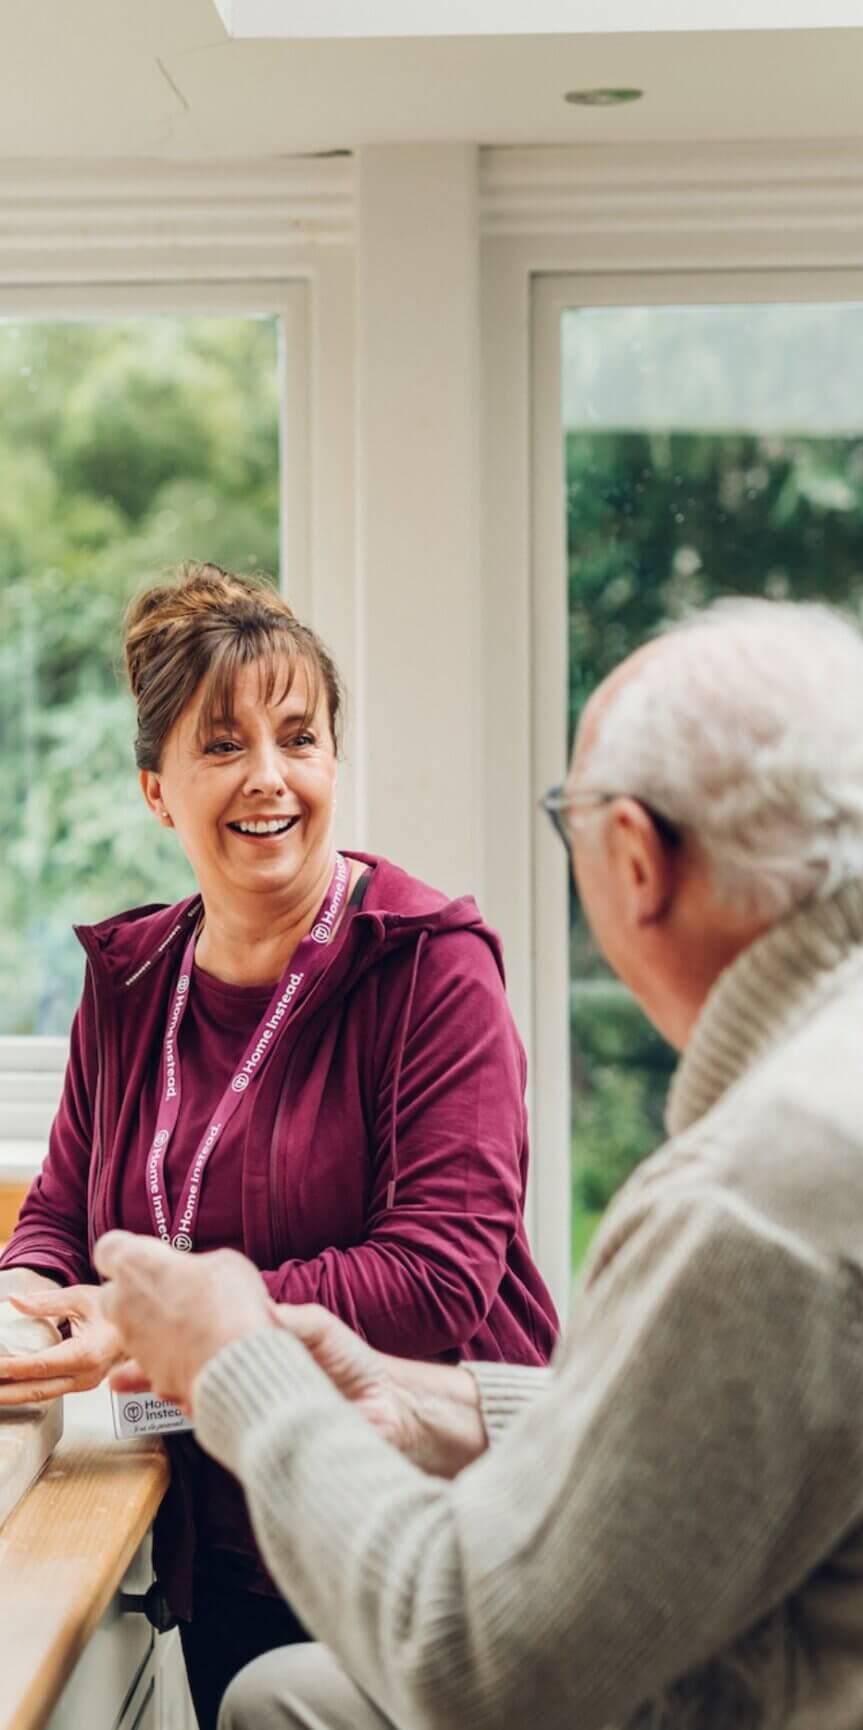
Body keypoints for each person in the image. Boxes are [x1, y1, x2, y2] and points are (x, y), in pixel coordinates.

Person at [88, 596, 863, 1730]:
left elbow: (477, 1660)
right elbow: (731, 1433)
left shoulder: (770, 1194)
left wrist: (240, 1363)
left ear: (632, 857)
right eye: (221, 744)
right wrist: (455, 1403)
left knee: (280, 1704)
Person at [0, 564, 558, 1730]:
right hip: (221, 1529)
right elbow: (60, 1205)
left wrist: (162, 1319)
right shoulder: (131, 979)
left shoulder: (429, 967)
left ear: (332, 764)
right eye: (223, 744)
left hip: (422, 1525)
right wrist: (30, 1295)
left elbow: (435, 1281)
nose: (269, 775)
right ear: (159, 790)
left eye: (298, 737)